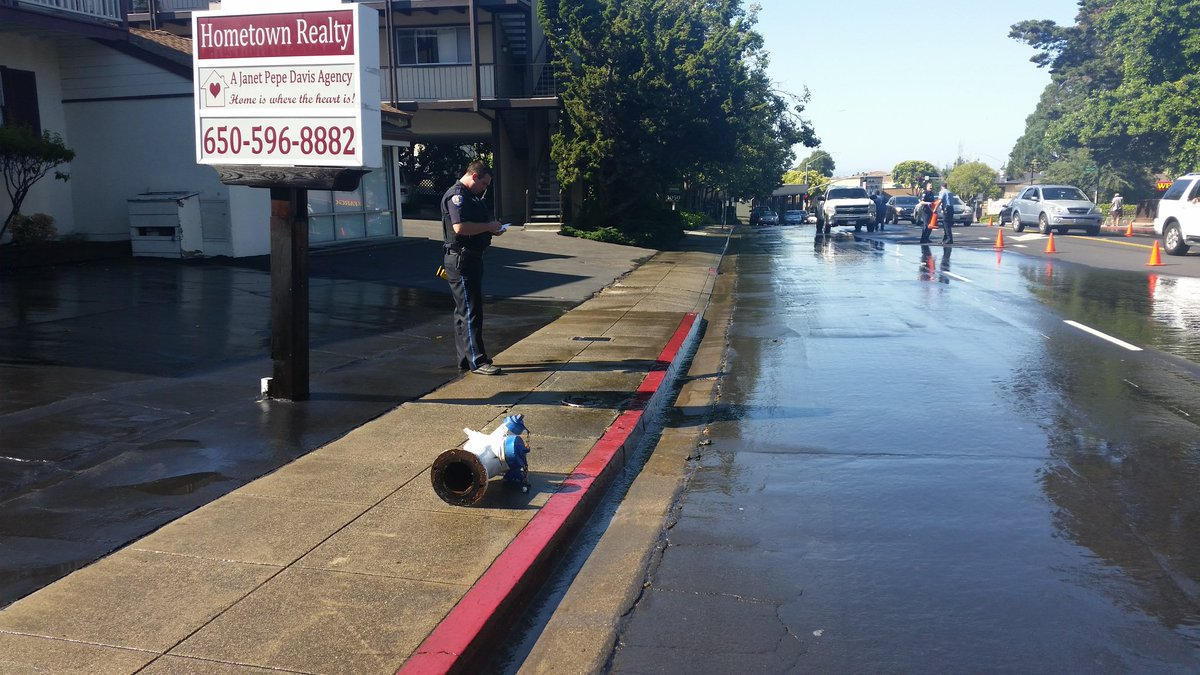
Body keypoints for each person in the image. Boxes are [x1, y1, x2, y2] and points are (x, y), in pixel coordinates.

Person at [441, 160, 506, 375]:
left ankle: (466, 359)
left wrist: (492, 229)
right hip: (462, 259)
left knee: (464, 311)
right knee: (470, 311)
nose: (485, 189)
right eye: (485, 184)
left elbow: (474, 226)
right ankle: (477, 360)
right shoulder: (457, 196)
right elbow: (459, 227)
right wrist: (488, 226)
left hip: (470, 258)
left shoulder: (471, 197)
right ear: (475, 176)